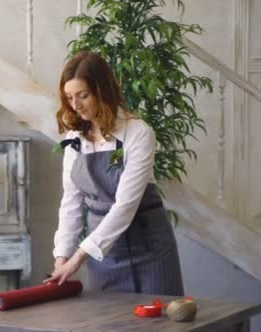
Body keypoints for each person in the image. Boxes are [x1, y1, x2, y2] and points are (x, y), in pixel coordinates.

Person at [44, 51, 184, 296]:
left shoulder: (138, 133)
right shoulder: (75, 139)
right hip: (102, 257)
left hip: (150, 250)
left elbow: (124, 207)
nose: (75, 105)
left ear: (101, 91)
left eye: (83, 96)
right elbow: (71, 203)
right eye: (69, 97)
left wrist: (77, 259)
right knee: (108, 328)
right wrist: (62, 257)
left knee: (158, 328)